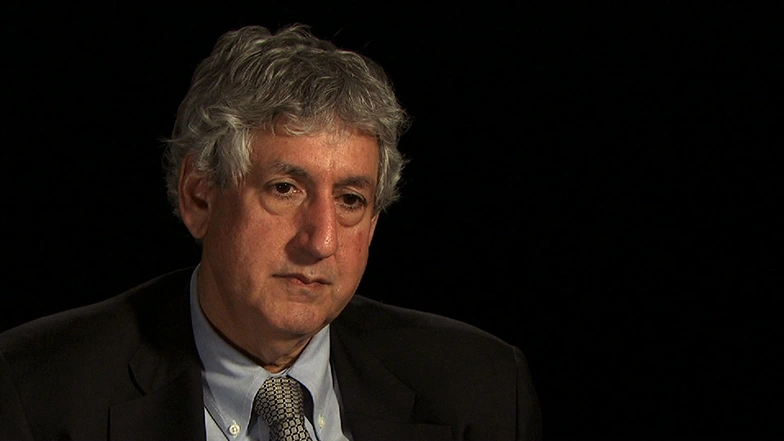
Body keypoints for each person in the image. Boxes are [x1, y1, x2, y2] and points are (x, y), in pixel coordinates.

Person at [0, 24, 541, 440]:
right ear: (199, 196)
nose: (321, 240)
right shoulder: (35, 392)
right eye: (285, 189)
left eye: (351, 200)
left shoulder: (483, 390)